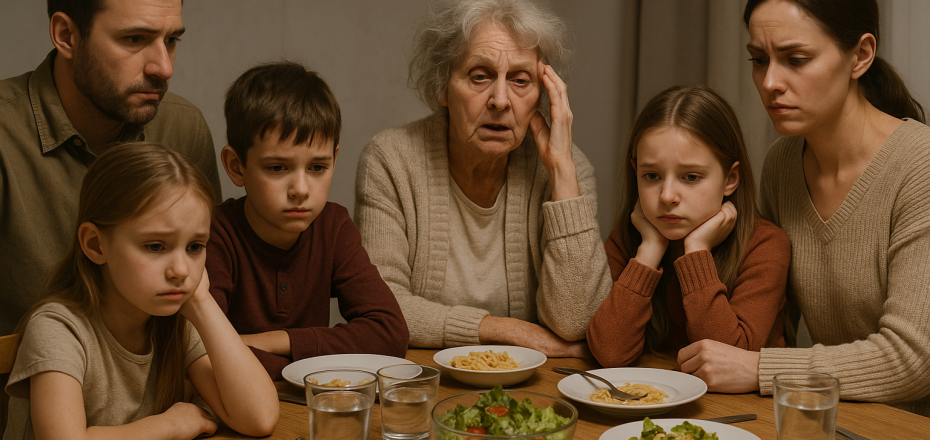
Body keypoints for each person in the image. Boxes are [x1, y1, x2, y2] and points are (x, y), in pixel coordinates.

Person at [677, 0, 930, 416]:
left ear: (861, 56)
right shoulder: (782, 164)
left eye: (796, 59)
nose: (770, 81)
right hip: (838, 417)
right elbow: (770, 324)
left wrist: (761, 369)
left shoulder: (919, 167)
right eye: (758, 60)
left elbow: (912, 361)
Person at [354, 0, 612, 356]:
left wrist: (562, 174)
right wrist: (507, 331)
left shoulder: (568, 169)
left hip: (535, 389)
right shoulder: (391, 160)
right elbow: (382, 309)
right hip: (422, 381)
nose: (501, 100)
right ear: (442, 87)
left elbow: (578, 322)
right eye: (480, 76)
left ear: (543, 96)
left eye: (521, 81)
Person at [3, 143, 278, 440]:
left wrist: (201, 300)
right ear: (95, 245)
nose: (181, 270)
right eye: (156, 246)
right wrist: (170, 425)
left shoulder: (178, 319)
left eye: (195, 247)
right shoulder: (58, 329)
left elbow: (259, 418)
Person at [0, 0, 222, 335]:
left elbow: (204, 295)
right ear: (66, 35)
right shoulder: (5, 133)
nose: (163, 68)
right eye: (135, 39)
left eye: (171, 40)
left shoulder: (183, 128)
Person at [206, 62, 409, 380]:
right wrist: (311, 363)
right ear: (236, 166)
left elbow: (390, 333)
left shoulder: (334, 226)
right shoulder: (214, 234)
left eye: (317, 167)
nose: (301, 190)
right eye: (277, 168)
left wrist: (272, 343)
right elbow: (201, 351)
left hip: (310, 406)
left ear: (334, 160)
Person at [586, 85, 790, 368]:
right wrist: (650, 251)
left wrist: (696, 251)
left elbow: (728, 361)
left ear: (730, 178)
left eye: (691, 177)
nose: (667, 196)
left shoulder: (765, 246)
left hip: (747, 410)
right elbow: (609, 353)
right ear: (636, 173)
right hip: (657, 402)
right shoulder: (630, 241)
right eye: (652, 175)